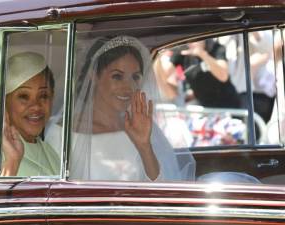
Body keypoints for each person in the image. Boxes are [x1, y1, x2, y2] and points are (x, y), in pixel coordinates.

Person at [46, 36, 195, 181]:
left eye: (135, 77)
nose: (128, 87)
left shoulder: (143, 129)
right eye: (117, 76)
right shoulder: (61, 134)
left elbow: (163, 190)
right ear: (94, 75)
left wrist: (144, 147)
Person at [0, 51, 59, 177]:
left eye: (43, 96)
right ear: (4, 102)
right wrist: (12, 161)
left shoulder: (49, 151)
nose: (36, 106)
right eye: (24, 96)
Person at [161, 39, 241, 108]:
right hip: (205, 107)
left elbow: (223, 76)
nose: (191, 42)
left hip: (228, 106)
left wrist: (202, 54)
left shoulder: (216, 48)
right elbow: (165, 72)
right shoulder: (184, 52)